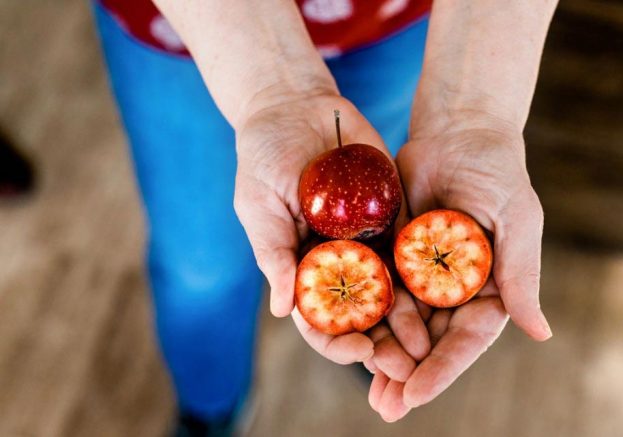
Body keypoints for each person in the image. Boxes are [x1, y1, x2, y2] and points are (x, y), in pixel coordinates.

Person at [93, 0, 557, 434]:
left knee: (392, 152)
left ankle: (366, 334)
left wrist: (473, 113)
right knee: (200, 263)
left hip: (391, 20)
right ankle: (211, 404)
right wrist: (273, 92)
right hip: (189, 26)